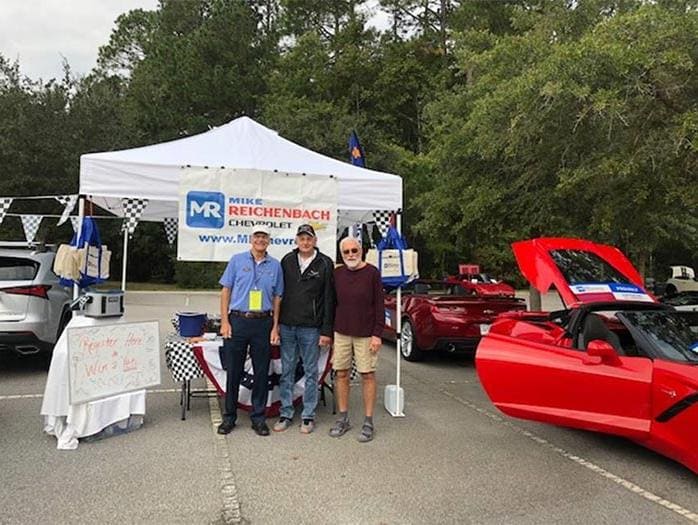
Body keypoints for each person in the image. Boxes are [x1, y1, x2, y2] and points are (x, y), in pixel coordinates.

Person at [217, 224, 283, 437]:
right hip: (238, 321)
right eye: (257, 236)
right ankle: (229, 417)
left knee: (262, 372)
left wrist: (275, 326)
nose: (260, 240)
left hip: (263, 323)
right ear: (251, 239)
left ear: (269, 240)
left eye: (264, 237)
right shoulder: (237, 260)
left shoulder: (275, 265)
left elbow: (277, 297)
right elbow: (225, 290)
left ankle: (258, 418)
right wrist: (225, 322)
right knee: (234, 370)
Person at [274, 224, 335, 434]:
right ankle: (286, 413)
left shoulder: (325, 263)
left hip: (312, 328)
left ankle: (308, 416)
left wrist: (326, 331)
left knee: (311, 372)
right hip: (288, 325)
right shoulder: (287, 260)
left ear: (315, 240)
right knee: (286, 371)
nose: (305, 242)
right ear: (297, 240)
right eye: (302, 238)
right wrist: (276, 324)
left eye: (309, 238)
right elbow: (279, 294)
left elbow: (329, 299)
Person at [329, 236, 384, 442]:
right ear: (341, 254)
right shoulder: (337, 274)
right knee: (341, 374)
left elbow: (379, 305)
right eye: (346, 252)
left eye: (354, 250)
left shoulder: (372, 273)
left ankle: (368, 421)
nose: (351, 255)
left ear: (360, 250)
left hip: (366, 334)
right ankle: (343, 418)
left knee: (367, 375)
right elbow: (332, 303)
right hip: (341, 332)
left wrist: (377, 334)